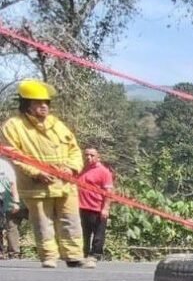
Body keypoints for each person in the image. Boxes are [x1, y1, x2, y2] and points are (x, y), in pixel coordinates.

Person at [1, 79, 93, 269]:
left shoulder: (57, 124)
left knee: (71, 220)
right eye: (38, 103)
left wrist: (72, 168)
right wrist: (36, 172)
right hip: (37, 185)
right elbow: (13, 155)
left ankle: (74, 256)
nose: (43, 106)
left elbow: (74, 150)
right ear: (27, 104)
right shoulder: (13, 126)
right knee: (43, 222)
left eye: (46, 103)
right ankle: (49, 256)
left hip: (65, 183)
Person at [78, 148, 115, 260]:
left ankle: (96, 254)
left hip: (97, 208)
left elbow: (109, 192)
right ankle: (83, 253)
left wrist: (105, 208)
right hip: (82, 207)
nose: (88, 157)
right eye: (86, 155)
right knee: (83, 233)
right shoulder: (82, 169)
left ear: (98, 157)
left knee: (98, 234)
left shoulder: (104, 172)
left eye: (92, 155)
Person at [0, 155, 26, 259]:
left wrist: (16, 201)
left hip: (19, 201)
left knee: (9, 226)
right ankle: (13, 253)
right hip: (10, 202)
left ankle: (13, 253)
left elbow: (12, 183)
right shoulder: (6, 165)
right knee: (11, 227)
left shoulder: (5, 165)